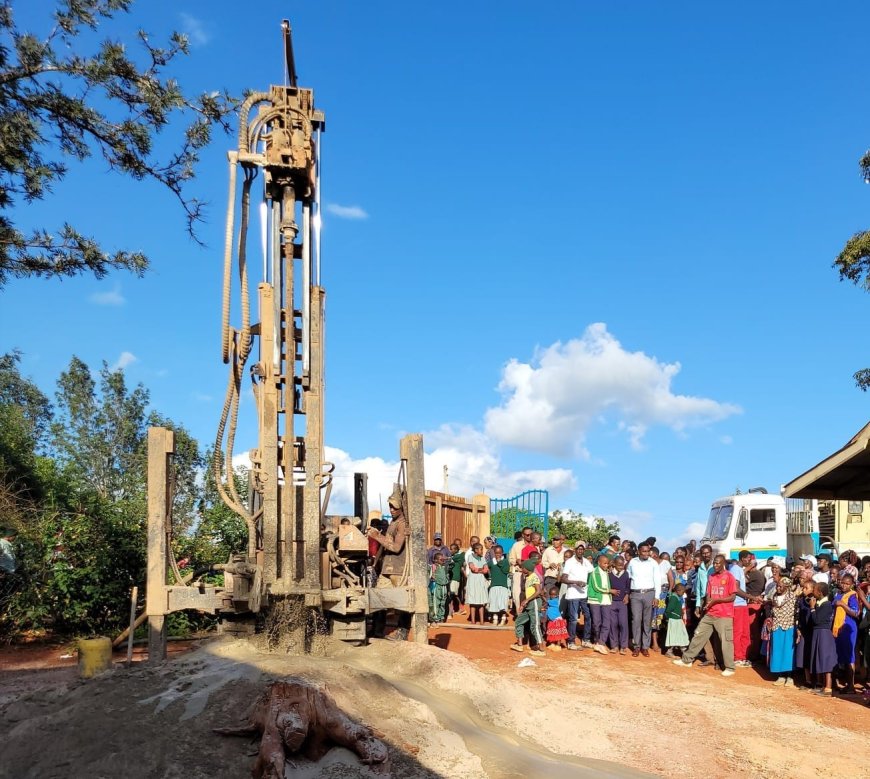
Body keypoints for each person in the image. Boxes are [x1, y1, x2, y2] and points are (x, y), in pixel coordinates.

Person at [673, 554, 737, 677]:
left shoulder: (729, 577)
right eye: (715, 563)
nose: (716, 565)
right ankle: (687, 660)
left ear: (723, 563)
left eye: (718, 563)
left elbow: (733, 596)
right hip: (710, 613)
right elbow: (708, 593)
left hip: (724, 614)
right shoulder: (711, 576)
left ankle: (729, 667)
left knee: (726, 641)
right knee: (698, 634)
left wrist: (716, 601)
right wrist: (707, 604)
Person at [367, 488, 413, 641]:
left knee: (402, 602)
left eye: (395, 507)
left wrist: (377, 536)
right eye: (390, 506)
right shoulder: (394, 522)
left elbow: (396, 547)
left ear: (402, 507)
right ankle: (378, 630)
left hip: (399, 569)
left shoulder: (402, 524)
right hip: (387, 567)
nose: (392, 509)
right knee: (378, 598)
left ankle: (402, 632)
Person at [627, 543, 662, 657]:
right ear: (638, 551)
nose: (646, 553)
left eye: (648, 551)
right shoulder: (633, 562)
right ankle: (636, 646)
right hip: (635, 594)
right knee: (636, 620)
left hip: (649, 593)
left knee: (647, 621)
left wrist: (657, 596)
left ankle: (645, 647)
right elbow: (628, 577)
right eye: (644, 551)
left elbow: (657, 580)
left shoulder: (653, 563)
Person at [808, 581, 837, 696]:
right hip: (818, 633)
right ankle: (823, 686)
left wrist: (812, 608)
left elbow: (817, 620)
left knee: (825, 659)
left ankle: (828, 688)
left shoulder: (826, 605)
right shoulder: (821, 603)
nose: (812, 591)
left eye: (814, 589)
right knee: (820, 658)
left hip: (823, 633)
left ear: (819, 592)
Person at [511, 559, 545, 656]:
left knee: (535, 625)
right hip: (529, 603)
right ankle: (520, 644)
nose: (521, 569)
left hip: (533, 602)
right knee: (519, 621)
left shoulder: (534, 577)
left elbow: (538, 591)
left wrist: (527, 600)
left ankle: (541, 649)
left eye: (523, 568)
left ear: (527, 569)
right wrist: (523, 604)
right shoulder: (528, 577)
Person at [561, 545, 592, 650]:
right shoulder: (569, 562)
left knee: (588, 616)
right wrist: (576, 582)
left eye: (582, 549)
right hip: (573, 594)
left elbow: (592, 572)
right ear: (575, 550)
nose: (580, 551)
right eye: (578, 549)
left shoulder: (586, 562)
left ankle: (586, 640)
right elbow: (563, 579)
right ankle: (571, 642)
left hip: (584, 593)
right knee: (573, 619)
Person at [767, 575, 796, 686]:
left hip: (788, 626)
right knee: (778, 650)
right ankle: (780, 675)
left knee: (788, 652)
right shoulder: (774, 596)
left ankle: (789, 676)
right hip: (776, 626)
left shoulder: (792, 597)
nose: (778, 588)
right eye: (777, 586)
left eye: (780, 586)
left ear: (787, 587)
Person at [833, 573, 859, 694]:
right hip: (838, 628)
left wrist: (843, 604)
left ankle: (851, 686)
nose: (844, 585)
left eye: (847, 583)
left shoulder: (852, 596)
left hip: (848, 628)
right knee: (839, 656)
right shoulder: (838, 594)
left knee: (849, 657)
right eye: (842, 582)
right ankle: (839, 684)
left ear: (852, 585)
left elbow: (855, 613)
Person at [587, 554, 613, 655]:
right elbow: (597, 587)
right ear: (599, 563)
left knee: (606, 622)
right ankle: (596, 641)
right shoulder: (594, 572)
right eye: (604, 563)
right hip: (595, 600)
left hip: (606, 600)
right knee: (597, 622)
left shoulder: (607, 572)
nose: (606, 565)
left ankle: (601, 643)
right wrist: (610, 591)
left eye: (607, 563)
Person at [608, 555, 631, 654]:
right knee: (613, 624)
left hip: (622, 602)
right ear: (614, 564)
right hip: (612, 602)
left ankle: (623, 646)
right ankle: (614, 645)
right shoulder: (609, 575)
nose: (621, 567)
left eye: (622, 565)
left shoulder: (626, 574)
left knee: (623, 623)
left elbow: (628, 587)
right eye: (619, 565)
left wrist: (627, 595)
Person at [509, 527, 534, 617]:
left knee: (530, 594)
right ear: (523, 535)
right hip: (519, 572)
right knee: (517, 595)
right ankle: (520, 615)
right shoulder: (517, 545)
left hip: (531, 574)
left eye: (531, 534)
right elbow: (511, 559)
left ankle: (528, 616)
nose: (529, 536)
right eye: (527, 535)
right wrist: (518, 561)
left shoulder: (535, 546)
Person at [465, 542, 489, 625]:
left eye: (482, 549)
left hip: (481, 580)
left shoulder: (482, 558)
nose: (482, 551)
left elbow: (486, 570)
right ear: (475, 550)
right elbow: (473, 569)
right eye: (480, 549)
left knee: (481, 601)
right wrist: (481, 570)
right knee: (473, 601)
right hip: (473, 580)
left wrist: (479, 570)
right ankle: (473, 621)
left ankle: (482, 621)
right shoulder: (470, 557)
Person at [487, 545, 511, 625]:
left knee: (503, 603)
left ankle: (503, 619)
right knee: (494, 602)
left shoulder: (505, 561)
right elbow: (487, 568)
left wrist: (499, 562)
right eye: (496, 553)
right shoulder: (491, 562)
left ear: (502, 553)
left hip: (503, 586)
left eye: (499, 553)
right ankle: (495, 619)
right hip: (494, 585)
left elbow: (506, 570)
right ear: (494, 553)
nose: (498, 555)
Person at [664, 582, 689, 657]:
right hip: (674, 620)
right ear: (678, 591)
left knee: (679, 635)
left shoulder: (676, 597)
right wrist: (672, 617)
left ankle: (681, 650)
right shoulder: (674, 598)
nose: (683, 593)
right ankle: (682, 651)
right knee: (676, 635)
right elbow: (668, 610)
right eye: (683, 592)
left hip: (677, 620)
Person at [545, 585, 569, 651]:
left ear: (557, 595)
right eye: (551, 595)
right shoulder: (551, 600)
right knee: (552, 632)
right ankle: (552, 643)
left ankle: (558, 645)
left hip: (557, 620)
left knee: (558, 634)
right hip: (552, 620)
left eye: (554, 595)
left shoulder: (556, 601)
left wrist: (542, 596)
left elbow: (547, 602)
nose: (552, 596)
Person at [429, 552, 450, 624]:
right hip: (437, 586)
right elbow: (431, 576)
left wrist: (446, 558)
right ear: (436, 560)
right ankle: (435, 618)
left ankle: (441, 617)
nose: (443, 560)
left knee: (443, 603)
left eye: (443, 559)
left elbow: (452, 563)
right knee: (436, 603)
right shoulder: (433, 566)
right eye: (441, 559)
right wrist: (433, 576)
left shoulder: (444, 567)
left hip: (444, 587)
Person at [448, 543, 465, 618]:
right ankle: (456, 609)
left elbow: (449, 559)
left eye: (452, 549)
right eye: (450, 549)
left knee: (452, 594)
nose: (450, 550)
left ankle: (451, 612)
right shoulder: (454, 556)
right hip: (452, 578)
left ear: (456, 550)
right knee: (453, 594)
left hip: (455, 578)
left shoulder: (458, 557)